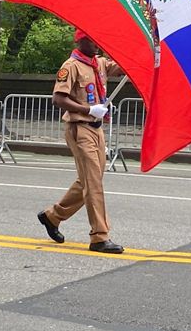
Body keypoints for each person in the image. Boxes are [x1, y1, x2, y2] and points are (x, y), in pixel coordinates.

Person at [36, 29, 125, 253]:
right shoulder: (71, 66)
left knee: (89, 180)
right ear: (81, 39)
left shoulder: (100, 64)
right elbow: (58, 98)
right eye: (93, 40)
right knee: (93, 183)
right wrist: (88, 109)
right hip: (80, 128)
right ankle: (99, 237)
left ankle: (53, 216)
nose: (98, 44)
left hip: (97, 129)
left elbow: (126, 67)